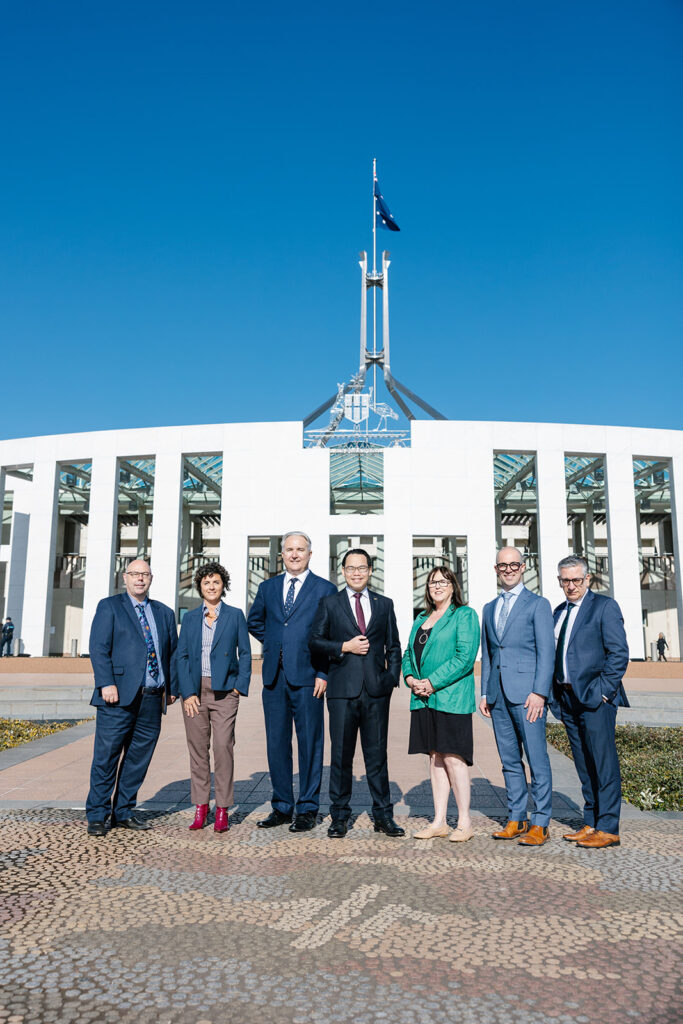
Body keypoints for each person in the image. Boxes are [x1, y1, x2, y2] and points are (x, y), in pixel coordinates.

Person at [309, 548, 403, 839]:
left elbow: (394, 647)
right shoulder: (330, 603)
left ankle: (383, 815)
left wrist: (389, 680)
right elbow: (314, 641)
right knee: (340, 756)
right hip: (341, 692)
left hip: (376, 693)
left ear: (371, 570)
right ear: (344, 571)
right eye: (351, 568)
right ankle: (339, 817)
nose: (357, 573)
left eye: (362, 567)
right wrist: (343, 647)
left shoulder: (384, 604)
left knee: (377, 757)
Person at [247, 532, 336, 832]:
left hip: (310, 677)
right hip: (274, 677)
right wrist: (276, 646)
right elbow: (255, 621)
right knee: (277, 744)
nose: (294, 554)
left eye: (300, 549)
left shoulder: (325, 589)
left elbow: (331, 635)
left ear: (310, 554)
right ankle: (282, 806)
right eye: (289, 550)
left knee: (310, 744)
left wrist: (323, 672)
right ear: (281, 554)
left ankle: (308, 808)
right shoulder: (268, 587)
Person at [85, 559, 178, 836]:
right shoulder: (110, 606)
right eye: (135, 574)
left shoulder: (164, 612)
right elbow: (98, 648)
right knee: (107, 757)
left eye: (145, 574)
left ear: (151, 578)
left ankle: (123, 811)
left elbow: (171, 653)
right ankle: (98, 814)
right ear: (125, 578)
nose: (140, 579)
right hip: (117, 696)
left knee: (138, 758)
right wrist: (106, 683)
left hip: (152, 697)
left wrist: (172, 688)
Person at [550, 555, 629, 849]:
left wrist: (604, 691)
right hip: (568, 698)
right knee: (583, 763)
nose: (570, 586)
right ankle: (592, 821)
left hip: (595, 699)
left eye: (576, 580)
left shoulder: (604, 607)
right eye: (565, 580)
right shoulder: (559, 611)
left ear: (587, 579)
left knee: (603, 762)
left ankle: (608, 827)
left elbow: (619, 653)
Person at [479, 547, 555, 846]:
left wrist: (539, 692)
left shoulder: (538, 604)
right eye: (502, 565)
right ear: (495, 568)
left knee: (537, 759)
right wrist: (485, 691)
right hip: (498, 695)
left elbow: (546, 653)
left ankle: (540, 822)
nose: (508, 569)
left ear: (523, 567)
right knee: (509, 761)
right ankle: (517, 817)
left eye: (513, 564)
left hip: (528, 697)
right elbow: (487, 653)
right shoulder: (489, 607)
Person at [403, 565, 480, 842]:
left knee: (453, 758)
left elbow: (464, 657)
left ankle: (464, 822)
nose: (437, 586)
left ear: (453, 587)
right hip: (423, 699)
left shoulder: (464, 615)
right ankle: (438, 821)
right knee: (435, 757)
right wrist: (411, 678)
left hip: (451, 698)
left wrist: (432, 681)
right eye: (433, 582)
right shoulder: (421, 618)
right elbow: (408, 653)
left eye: (444, 582)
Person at [177, 562, 251, 833]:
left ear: (223, 586)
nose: (211, 586)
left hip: (225, 693)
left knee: (222, 748)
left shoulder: (234, 615)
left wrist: (238, 688)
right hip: (195, 693)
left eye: (216, 582)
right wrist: (187, 693)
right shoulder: (190, 618)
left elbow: (245, 652)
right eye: (206, 582)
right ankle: (200, 807)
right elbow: (182, 656)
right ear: (199, 586)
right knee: (197, 752)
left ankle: (222, 809)